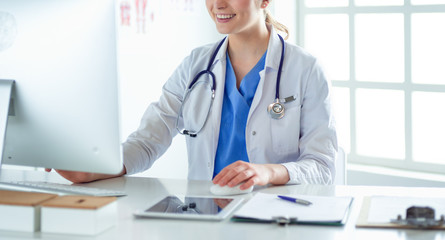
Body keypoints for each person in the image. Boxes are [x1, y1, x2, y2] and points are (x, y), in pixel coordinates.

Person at [48, 0, 338, 190]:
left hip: (278, 218)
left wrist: (269, 173)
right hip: (206, 217)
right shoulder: (196, 65)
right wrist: (96, 166)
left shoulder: (306, 70)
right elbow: (148, 142)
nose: (218, 5)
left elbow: (322, 166)